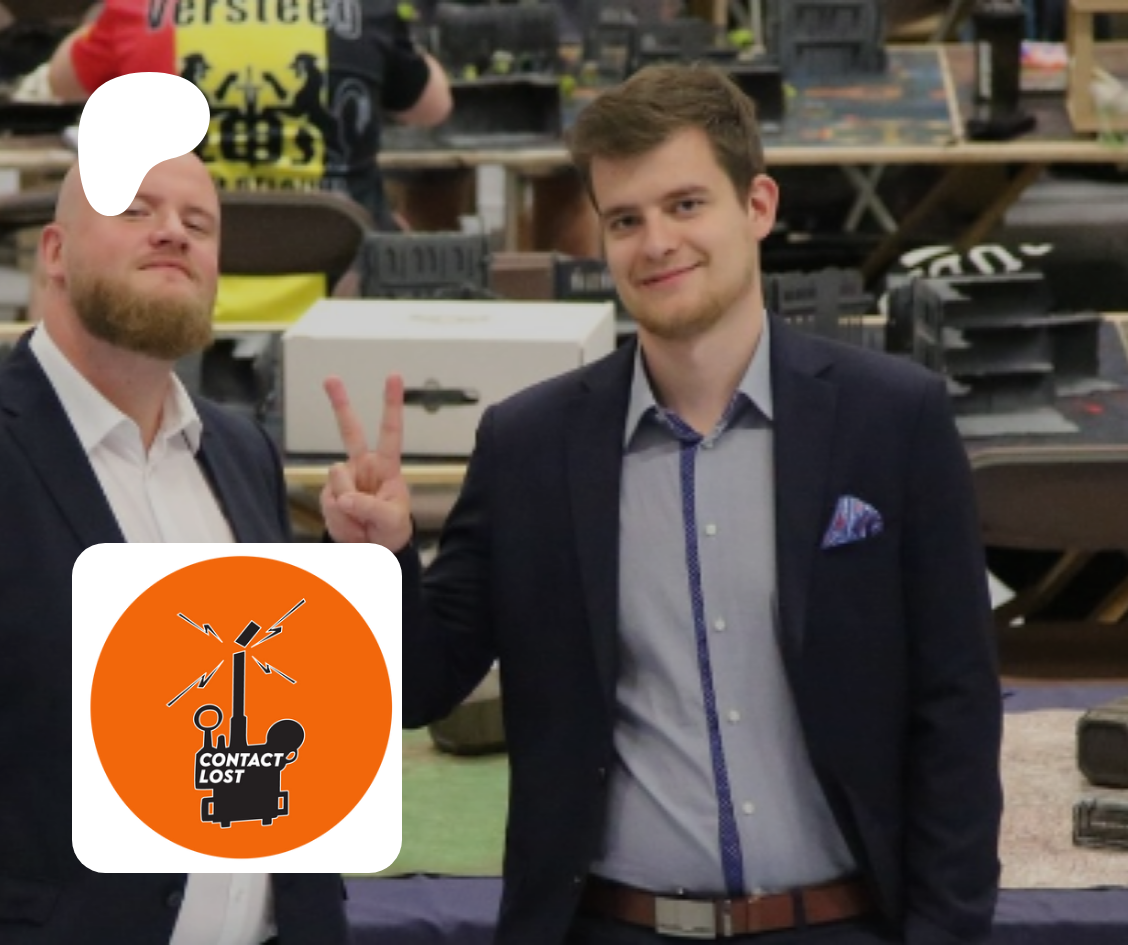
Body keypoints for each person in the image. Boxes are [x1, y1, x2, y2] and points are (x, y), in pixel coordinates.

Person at [320, 64, 1004, 945]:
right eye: (625, 220)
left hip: (839, 920)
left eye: (686, 205)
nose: (657, 243)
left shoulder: (894, 420)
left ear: (757, 205)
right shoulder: (528, 448)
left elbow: (958, 704)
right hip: (611, 925)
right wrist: (379, 558)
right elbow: (423, 686)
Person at [0, 154, 346, 943]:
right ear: (54, 251)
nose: (173, 234)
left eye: (199, 224)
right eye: (135, 211)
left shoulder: (242, 453)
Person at [43, 0, 452, 232]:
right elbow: (434, 107)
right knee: (398, 233)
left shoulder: (141, 9)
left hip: (179, 255)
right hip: (336, 263)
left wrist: (101, 19)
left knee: (63, 247)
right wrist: (396, 43)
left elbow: (61, 82)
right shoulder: (361, 10)